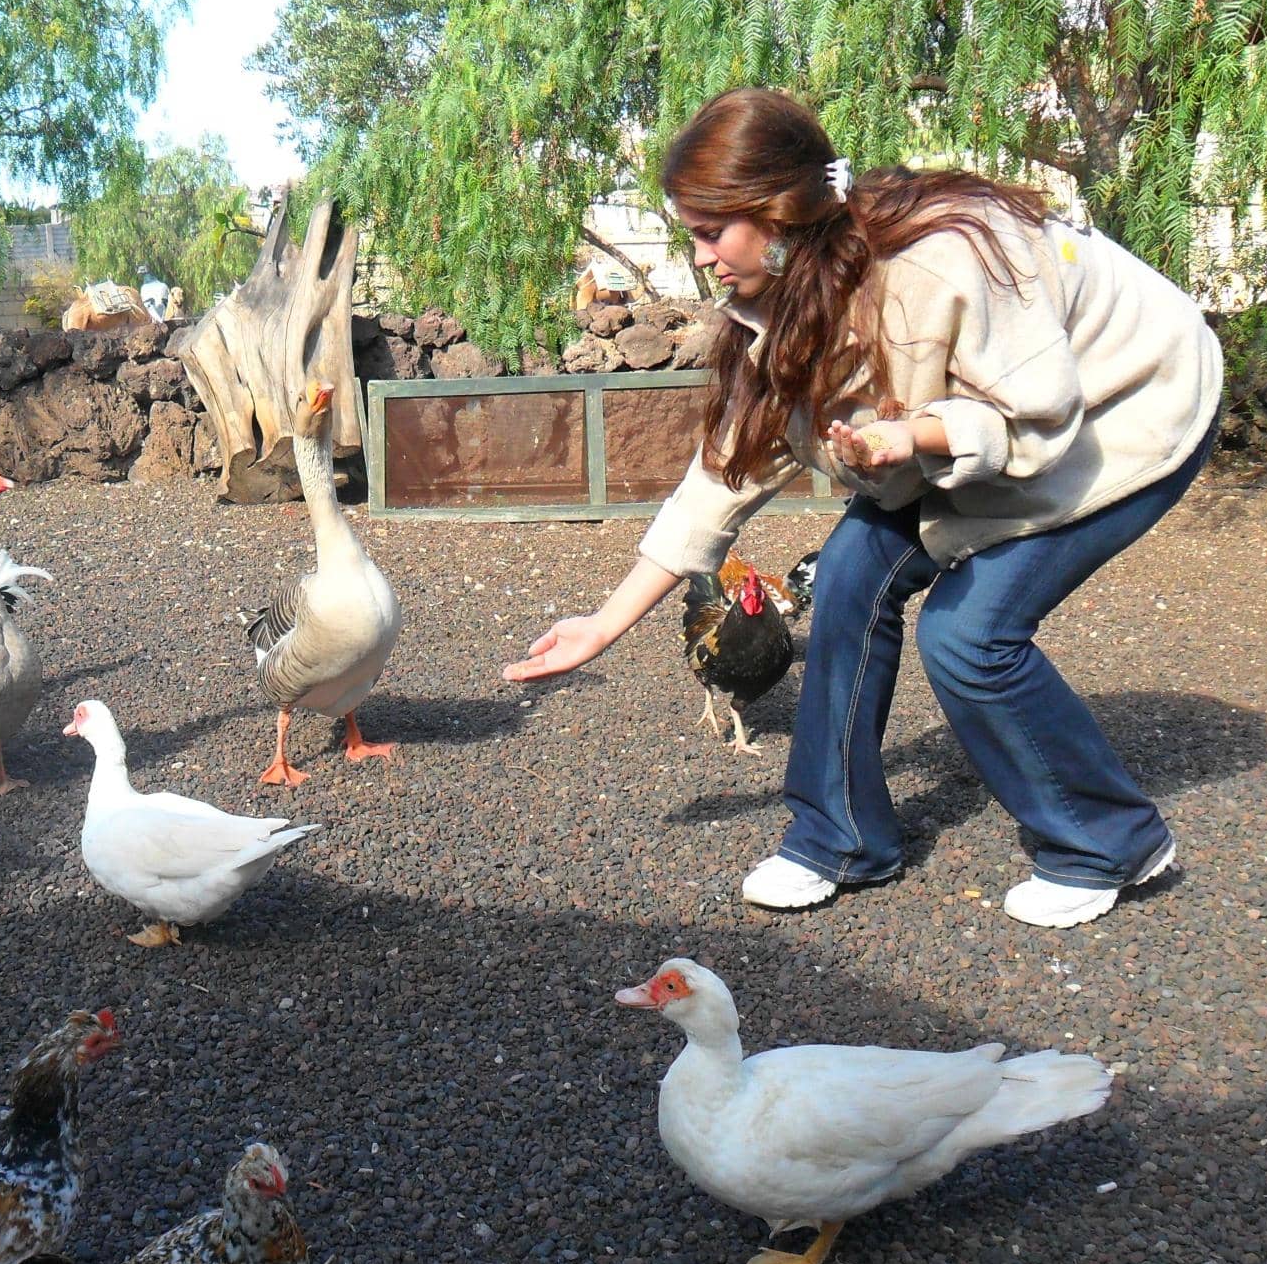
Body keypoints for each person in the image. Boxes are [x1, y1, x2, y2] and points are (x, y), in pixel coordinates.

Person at [503, 88, 1222, 929]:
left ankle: (1110, 842)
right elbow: (724, 477)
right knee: (846, 578)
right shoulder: (775, 299)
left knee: (968, 635)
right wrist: (604, 623)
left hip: (1127, 407)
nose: (700, 257)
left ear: (776, 214)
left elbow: (1037, 420)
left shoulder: (939, 262)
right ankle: (837, 838)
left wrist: (913, 435)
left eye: (708, 232)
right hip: (956, 437)